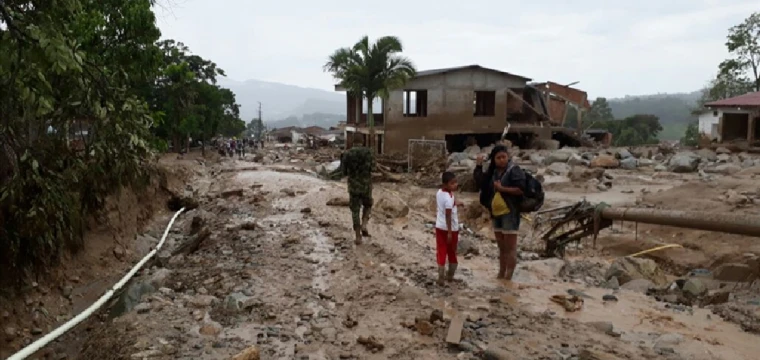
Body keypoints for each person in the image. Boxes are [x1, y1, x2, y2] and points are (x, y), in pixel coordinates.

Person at [474, 145, 526, 281]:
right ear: (494, 159)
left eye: (504, 157)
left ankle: (508, 277)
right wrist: (478, 166)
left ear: (508, 157)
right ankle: (501, 274)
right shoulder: (493, 172)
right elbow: (480, 183)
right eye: (498, 158)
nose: (502, 160)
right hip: (496, 213)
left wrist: (502, 188)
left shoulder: (514, 171)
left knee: (510, 247)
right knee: (501, 247)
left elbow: (521, 189)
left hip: (510, 212)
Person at [341, 135, 374, 245]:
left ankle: (358, 235)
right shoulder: (369, 152)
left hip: (353, 186)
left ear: (353, 141)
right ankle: (364, 224)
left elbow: (344, 172)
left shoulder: (347, 154)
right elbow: (373, 168)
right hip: (366, 185)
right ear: (362, 141)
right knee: (368, 205)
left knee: (355, 210)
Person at [435, 171, 462, 285]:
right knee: (451, 252)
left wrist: (457, 203)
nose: (455, 185)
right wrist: (450, 232)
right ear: (445, 185)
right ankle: (450, 276)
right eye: (452, 183)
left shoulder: (440, 192)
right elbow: (448, 214)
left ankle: (441, 276)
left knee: (441, 250)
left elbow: (447, 205)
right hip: (450, 229)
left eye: (455, 182)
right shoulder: (448, 198)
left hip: (439, 226)